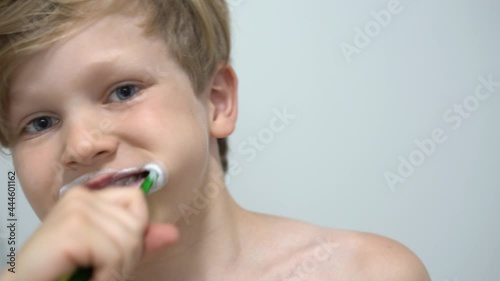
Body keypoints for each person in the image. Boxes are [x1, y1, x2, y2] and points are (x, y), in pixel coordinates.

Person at [0, 1, 431, 280]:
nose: (81, 145)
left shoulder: (365, 272)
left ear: (217, 103)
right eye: (39, 123)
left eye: (124, 91)